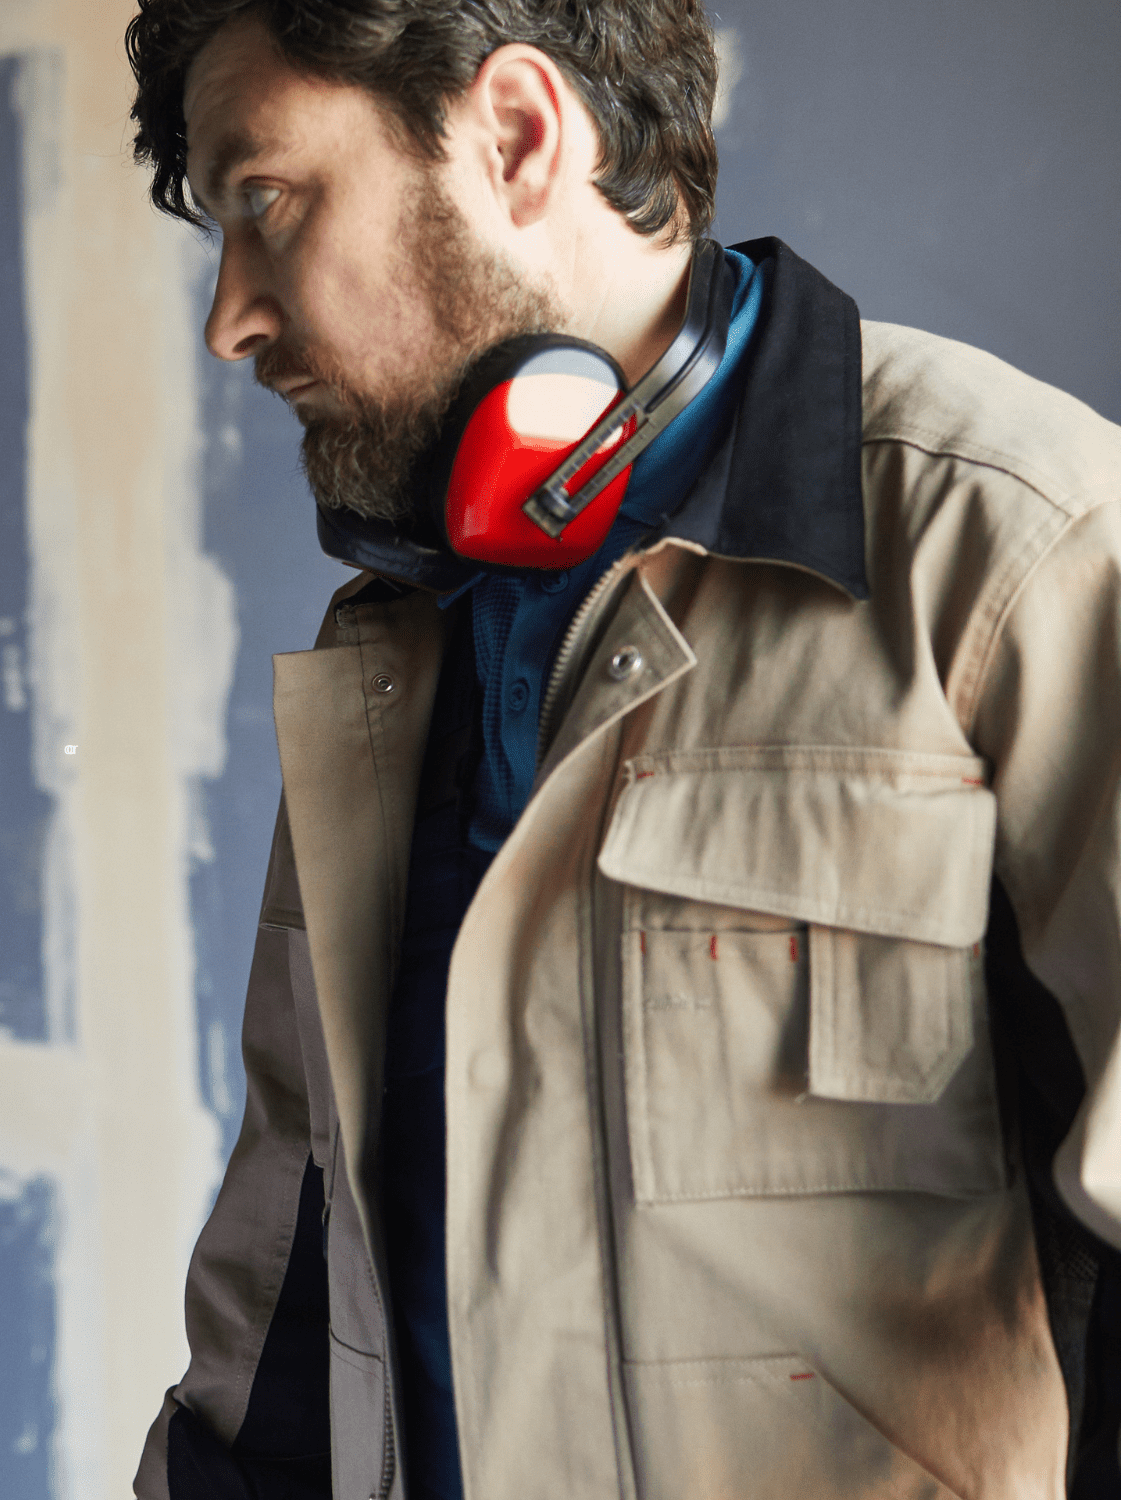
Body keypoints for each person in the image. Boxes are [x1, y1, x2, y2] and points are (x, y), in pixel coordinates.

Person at [121, 2, 1121, 1497]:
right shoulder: (392, 639)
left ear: (519, 135)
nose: (232, 318)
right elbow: (295, 1265)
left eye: (265, 202)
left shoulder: (1019, 544)